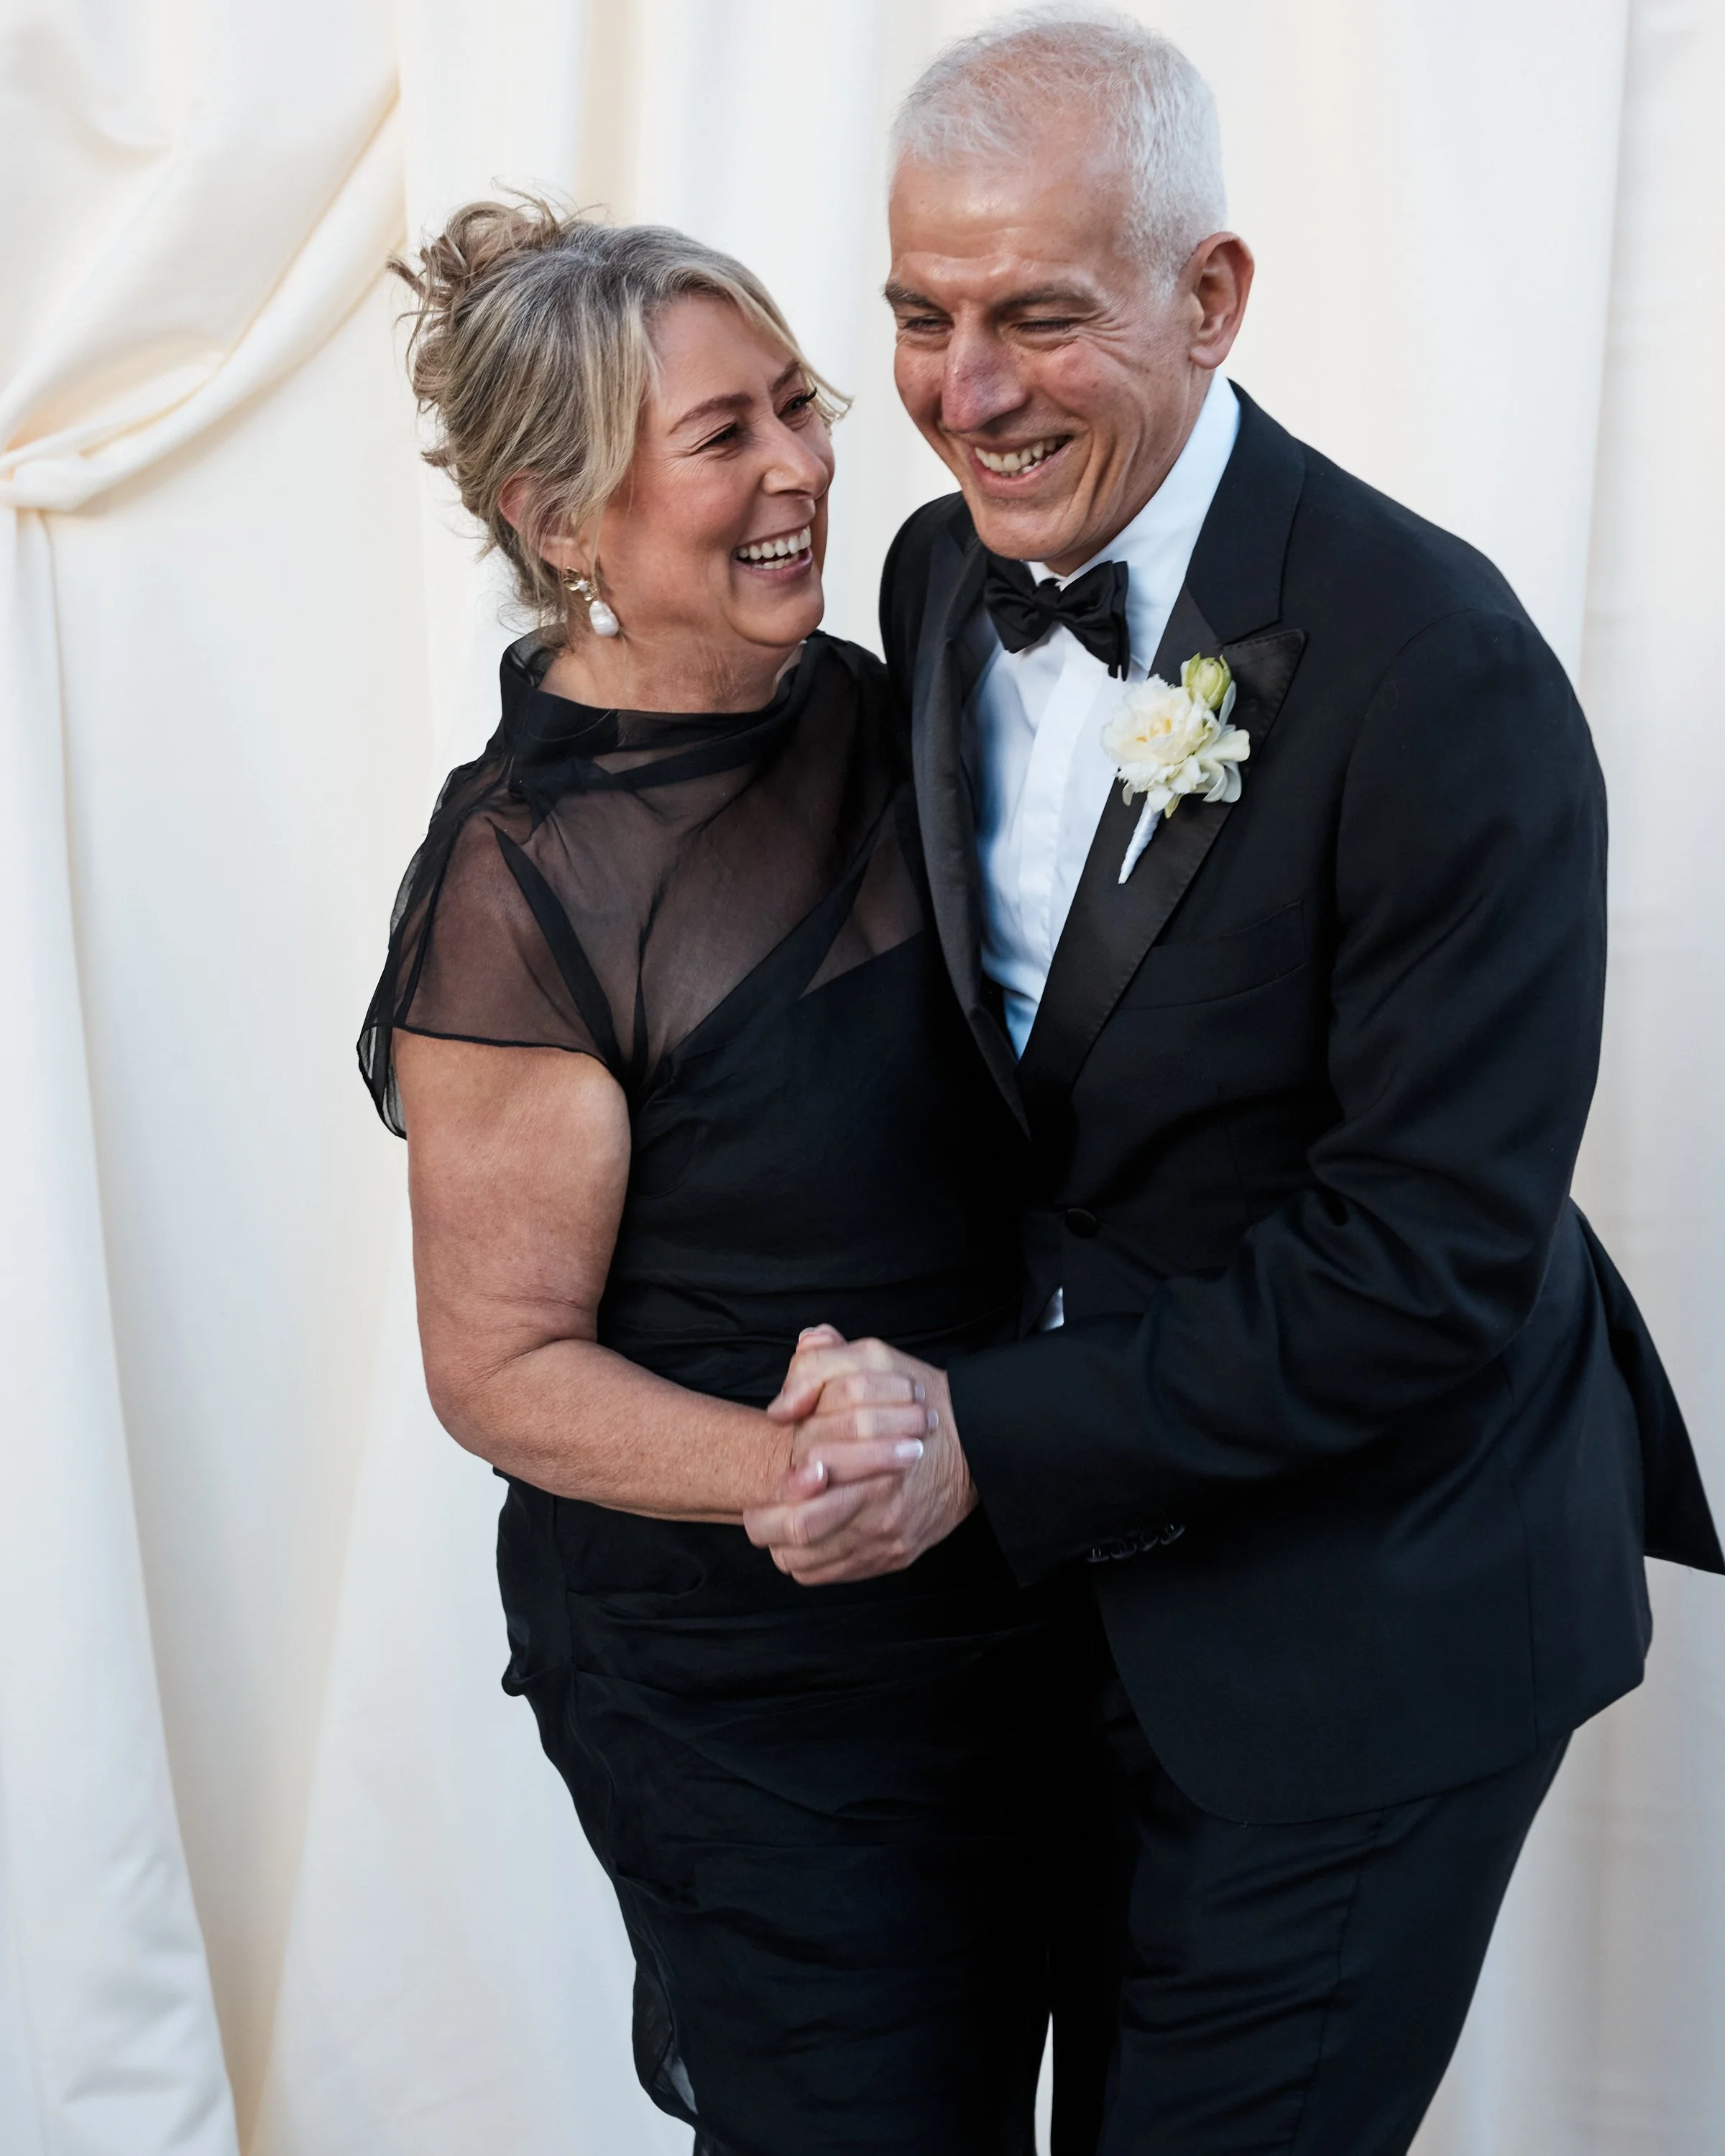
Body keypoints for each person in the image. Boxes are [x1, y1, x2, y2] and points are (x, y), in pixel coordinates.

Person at [747, 13, 1725, 2154]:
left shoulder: (1436, 673)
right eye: (919, 316)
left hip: (1377, 1606)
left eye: (1035, 319)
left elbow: (1423, 1260)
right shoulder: (933, 580)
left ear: (1211, 300)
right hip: (1065, 1602)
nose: (964, 395)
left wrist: (974, 1434)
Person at [359, 202, 1067, 2156]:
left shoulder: (893, 693)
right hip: (758, 1679)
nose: (806, 466)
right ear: (562, 518)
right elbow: (497, 1366)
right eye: (725, 436)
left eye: (801, 406)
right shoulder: (525, 890)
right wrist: (818, 1474)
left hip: (1025, 1583)